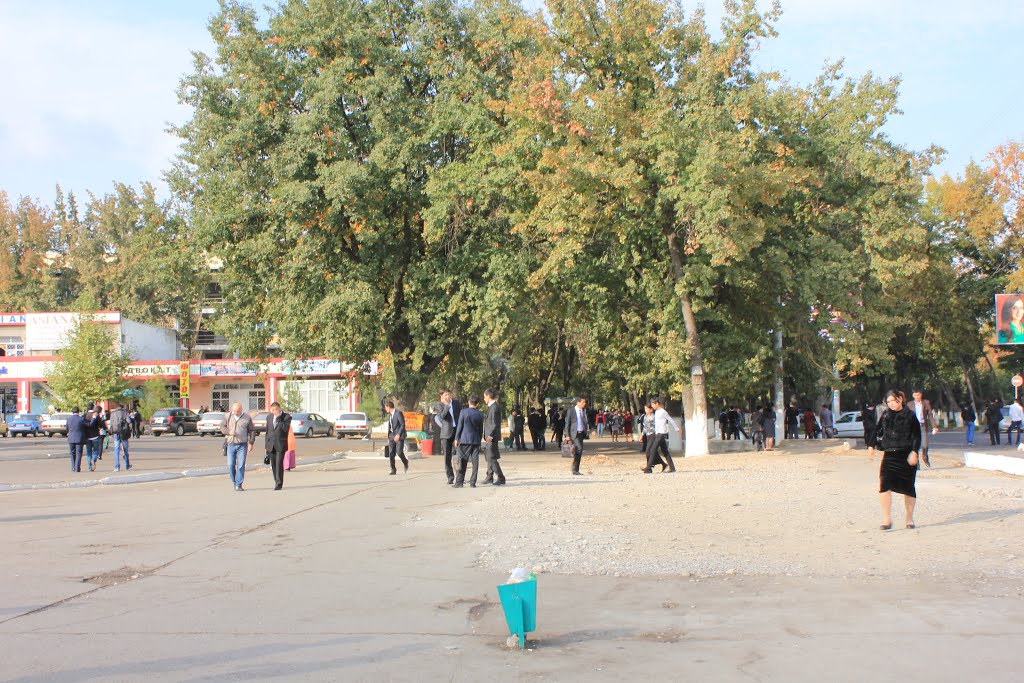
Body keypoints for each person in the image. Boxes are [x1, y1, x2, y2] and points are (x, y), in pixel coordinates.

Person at [867, 390, 922, 530]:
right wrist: (871, 446)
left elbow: (917, 436)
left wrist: (915, 452)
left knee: (908, 488)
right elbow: (876, 430)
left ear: (901, 399)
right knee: (884, 485)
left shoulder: (910, 415)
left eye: (894, 401)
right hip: (889, 456)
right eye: (889, 401)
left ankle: (909, 518)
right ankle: (886, 520)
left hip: (906, 456)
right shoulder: (885, 415)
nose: (892, 404)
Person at [221, 403, 255, 491]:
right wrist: (228, 432)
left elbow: (252, 431)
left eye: (238, 411)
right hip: (230, 444)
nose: (236, 413)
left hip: (242, 445)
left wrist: (251, 443)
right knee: (230, 464)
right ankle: (235, 482)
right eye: (234, 411)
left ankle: (239, 484)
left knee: (240, 465)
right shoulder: (228, 416)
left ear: (241, 410)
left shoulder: (247, 418)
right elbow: (222, 427)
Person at [452, 394, 484, 487]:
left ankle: (459, 482)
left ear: (468, 402)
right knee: (475, 462)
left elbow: (460, 426)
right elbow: (481, 430)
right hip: (476, 440)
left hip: (465, 440)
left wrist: (456, 438)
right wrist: (479, 439)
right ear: (477, 404)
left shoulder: (463, 412)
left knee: (463, 461)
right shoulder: (480, 414)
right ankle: (473, 482)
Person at [433, 388, 462, 485]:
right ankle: (450, 476)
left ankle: (459, 476)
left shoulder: (456, 403)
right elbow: (442, 416)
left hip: (456, 432)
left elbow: (461, 416)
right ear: (441, 396)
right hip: (446, 433)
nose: (448, 396)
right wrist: (446, 406)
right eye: (445, 395)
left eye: (449, 394)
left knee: (458, 454)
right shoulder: (439, 405)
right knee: (447, 456)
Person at [643, 396, 677, 473]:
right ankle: (672, 467)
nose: (652, 406)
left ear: (657, 403)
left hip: (661, 434)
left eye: (653, 404)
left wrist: (677, 429)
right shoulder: (657, 412)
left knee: (652, 450)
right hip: (657, 433)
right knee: (665, 452)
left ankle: (648, 468)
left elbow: (670, 420)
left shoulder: (663, 412)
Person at [907, 389, 937, 468]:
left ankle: (925, 457)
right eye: (915, 395)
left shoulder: (926, 403)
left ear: (921, 395)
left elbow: (930, 415)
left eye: (918, 395)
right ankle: (917, 464)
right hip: (913, 427)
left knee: (925, 444)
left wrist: (934, 426)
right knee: (915, 445)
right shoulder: (909, 404)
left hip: (923, 426)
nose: (917, 397)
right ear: (913, 395)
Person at [264, 401, 292, 489]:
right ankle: (276, 480)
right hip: (271, 444)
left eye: (275, 410)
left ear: (279, 408)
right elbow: (267, 432)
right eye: (272, 410)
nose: (273, 412)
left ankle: (279, 484)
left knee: (279, 463)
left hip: (280, 444)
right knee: (273, 464)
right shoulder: (269, 417)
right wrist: (266, 447)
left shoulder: (286, 417)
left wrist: (279, 418)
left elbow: (285, 429)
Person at [482, 388, 506, 485]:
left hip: (492, 437)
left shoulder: (494, 408)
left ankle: (501, 477)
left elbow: (495, 424)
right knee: (488, 456)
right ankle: (489, 475)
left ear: (488, 396)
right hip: (490, 436)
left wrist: (490, 436)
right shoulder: (491, 407)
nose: (484, 399)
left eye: (484, 397)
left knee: (491, 457)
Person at [564, 397, 589, 475]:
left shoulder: (583, 411)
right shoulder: (571, 411)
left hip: (581, 433)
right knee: (579, 449)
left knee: (579, 451)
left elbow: (585, 422)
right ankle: (575, 469)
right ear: (578, 402)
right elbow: (567, 424)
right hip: (574, 434)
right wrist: (567, 435)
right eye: (583, 402)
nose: (584, 404)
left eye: (585, 402)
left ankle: (576, 468)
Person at [384, 399, 408, 476]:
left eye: (385, 407)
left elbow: (402, 425)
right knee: (391, 453)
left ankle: (405, 462)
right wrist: (388, 437)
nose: (385, 409)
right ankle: (393, 469)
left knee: (399, 452)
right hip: (391, 436)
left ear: (388, 407)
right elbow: (390, 427)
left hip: (399, 436)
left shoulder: (398, 413)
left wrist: (398, 434)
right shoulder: (390, 415)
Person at [108, 402, 132, 472]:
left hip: (116, 433)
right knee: (125, 449)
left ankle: (117, 466)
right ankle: (127, 465)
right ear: (122, 407)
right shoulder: (125, 413)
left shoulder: (113, 414)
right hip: (124, 433)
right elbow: (129, 421)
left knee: (116, 449)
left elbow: (111, 425)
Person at [83, 403, 102, 471]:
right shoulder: (96, 415)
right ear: (93, 407)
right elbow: (100, 424)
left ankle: (89, 467)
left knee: (89, 452)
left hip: (87, 436)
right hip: (95, 436)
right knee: (96, 450)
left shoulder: (84, 415)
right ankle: (93, 460)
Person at [66, 406, 85, 473]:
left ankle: (73, 467)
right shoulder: (81, 419)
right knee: (78, 453)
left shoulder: (68, 419)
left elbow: (67, 429)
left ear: (72, 412)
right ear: (78, 412)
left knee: (72, 453)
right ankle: (77, 467)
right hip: (79, 438)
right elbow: (84, 428)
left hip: (71, 438)